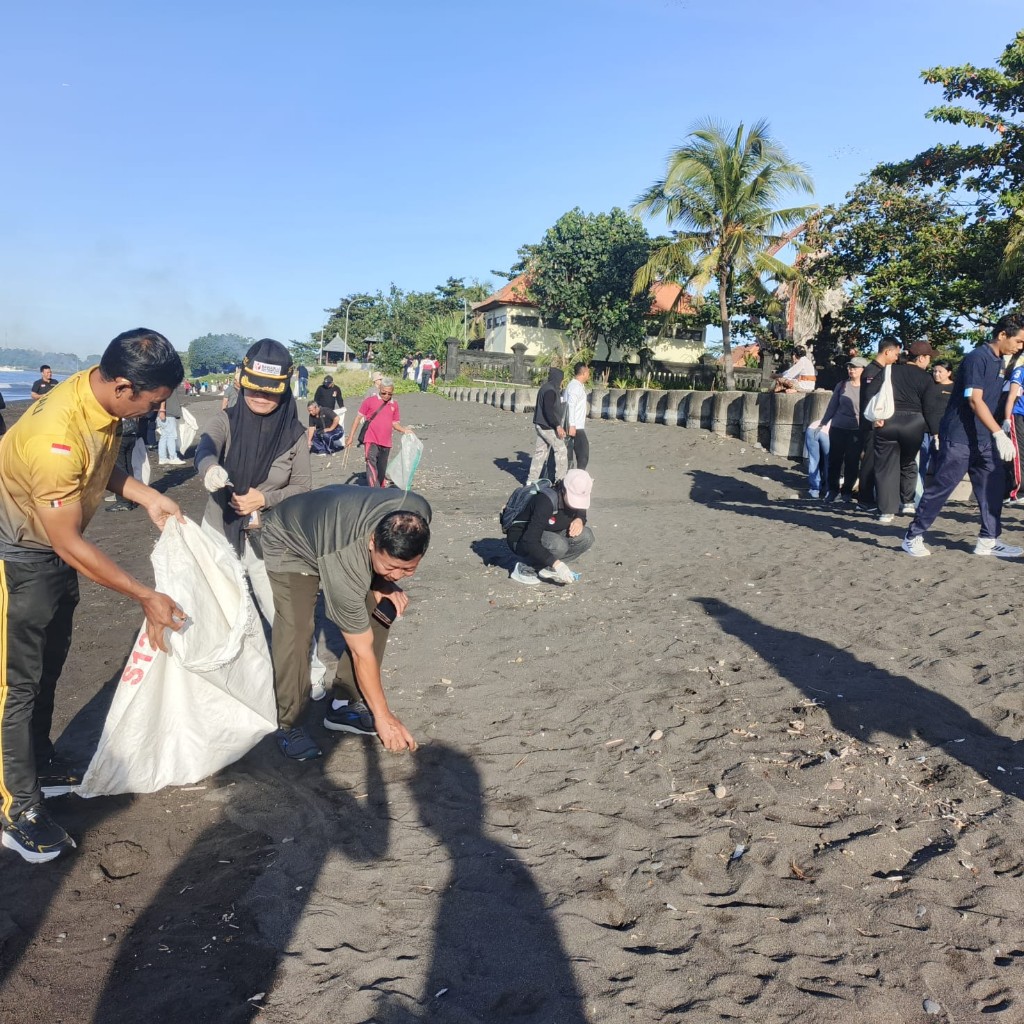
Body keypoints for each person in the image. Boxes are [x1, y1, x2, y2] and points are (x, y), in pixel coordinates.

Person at [0, 328, 186, 863]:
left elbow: (99, 469)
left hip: (54, 554)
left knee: (50, 666)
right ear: (125, 386)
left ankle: (39, 759)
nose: (159, 408)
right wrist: (144, 595)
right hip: (20, 560)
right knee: (16, 685)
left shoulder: (95, 396)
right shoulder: (55, 437)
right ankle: (16, 808)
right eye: (155, 400)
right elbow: (68, 542)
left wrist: (146, 494)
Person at [260, 486, 430, 759]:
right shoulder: (346, 560)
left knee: (382, 605)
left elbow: (390, 566)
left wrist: (383, 580)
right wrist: (384, 717)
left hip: (334, 528)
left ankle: (343, 703)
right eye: (390, 567)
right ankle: (290, 723)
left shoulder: (417, 515)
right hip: (290, 543)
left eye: (408, 568)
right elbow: (361, 651)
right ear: (373, 542)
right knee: (296, 629)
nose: (399, 575)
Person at [195, 339, 310, 625]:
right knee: (219, 618)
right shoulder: (226, 420)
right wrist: (209, 469)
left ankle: (307, 671)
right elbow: (206, 446)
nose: (260, 396)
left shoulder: (295, 434)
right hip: (219, 532)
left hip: (269, 539)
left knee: (284, 617)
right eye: (254, 388)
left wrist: (264, 499)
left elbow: (303, 487)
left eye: (269, 391)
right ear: (243, 382)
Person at [902, 312, 1024, 558]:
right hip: (959, 437)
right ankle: (913, 535)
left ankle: (988, 540)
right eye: (1019, 341)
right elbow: (974, 401)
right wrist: (999, 433)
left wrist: (1000, 426)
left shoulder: (1000, 362)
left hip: (984, 439)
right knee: (941, 487)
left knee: (992, 486)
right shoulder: (977, 358)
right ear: (1002, 335)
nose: (1020, 346)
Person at [866, 340, 946, 523]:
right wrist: (935, 432)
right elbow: (930, 408)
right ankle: (908, 502)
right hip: (914, 423)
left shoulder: (889, 370)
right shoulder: (926, 378)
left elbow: (870, 391)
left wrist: (873, 418)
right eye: (928, 357)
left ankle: (887, 511)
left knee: (886, 466)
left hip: (887, 421)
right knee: (909, 461)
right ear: (921, 358)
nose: (929, 362)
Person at [508, 469, 595, 586]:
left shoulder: (579, 492)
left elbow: (581, 510)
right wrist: (557, 565)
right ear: (564, 490)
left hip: (551, 533)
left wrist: (580, 519)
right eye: (574, 499)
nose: (577, 504)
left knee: (586, 536)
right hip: (521, 536)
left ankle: (548, 567)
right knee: (558, 545)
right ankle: (525, 569)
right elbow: (530, 540)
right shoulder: (546, 501)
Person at [856, 337, 902, 511]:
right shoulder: (872, 371)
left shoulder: (882, 370)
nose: (896, 358)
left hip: (876, 422)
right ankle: (865, 499)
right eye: (895, 354)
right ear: (887, 351)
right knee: (869, 461)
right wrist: (875, 418)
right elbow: (869, 396)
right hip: (871, 423)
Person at [347, 378, 414, 488]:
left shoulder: (394, 404)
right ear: (379, 389)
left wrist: (404, 430)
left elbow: (395, 423)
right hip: (371, 438)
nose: (386, 395)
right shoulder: (369, 401)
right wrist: (350, 437)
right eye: (384, 393)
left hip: (386, 441)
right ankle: (375, 491)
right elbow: (358, 418)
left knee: (382, 468)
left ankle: (380, 487)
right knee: (371, 462)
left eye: (389, 393)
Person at [819, 357, 866, 502]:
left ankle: (847, 491)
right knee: (835, 460)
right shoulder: (842, 385)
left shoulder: (867, 387)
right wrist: (824, 422)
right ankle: (832, 490)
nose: (851, 370)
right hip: (838, 426)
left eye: (855, 367)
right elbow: (832, 405)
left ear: (863, 369)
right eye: (849, 367)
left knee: (852, 461)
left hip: (857, 429)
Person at [528, 367, 568, 483]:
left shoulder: (545, 388)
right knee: (561, 449)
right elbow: (548, 411)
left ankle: (531, 481)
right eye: (561, 380)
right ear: (558, 379)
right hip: (547, 426)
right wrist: (558, 426)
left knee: (540, 452)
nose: (561, 383)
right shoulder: (550, 390)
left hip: (540, 424)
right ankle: (560, 480)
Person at [1001, 352, 1024, 505]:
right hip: (1019, 415)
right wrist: (1007, 418)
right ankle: (1018, 491)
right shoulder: (1020, 371)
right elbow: (1011, 396)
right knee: (1019, 453)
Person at [563, 362, 591, 471]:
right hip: (574, 425)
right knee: (583, 451)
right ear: (583, 373)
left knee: (575, 450)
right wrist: (572, 424)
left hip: (576, 424)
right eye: (588, 372)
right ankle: (578, 474)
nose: (589, 374)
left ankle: (575, 473)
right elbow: (570, 405)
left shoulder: (577, 385)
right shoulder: (575, 386)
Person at [156, 383, 187, 466]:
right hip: (168, 414)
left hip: (166, 413)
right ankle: (173, 457)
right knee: (171, 436)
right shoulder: (168, 383)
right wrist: (162, 410)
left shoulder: (164, 382)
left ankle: (162, 458)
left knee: (164, 436)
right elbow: (163, 396)